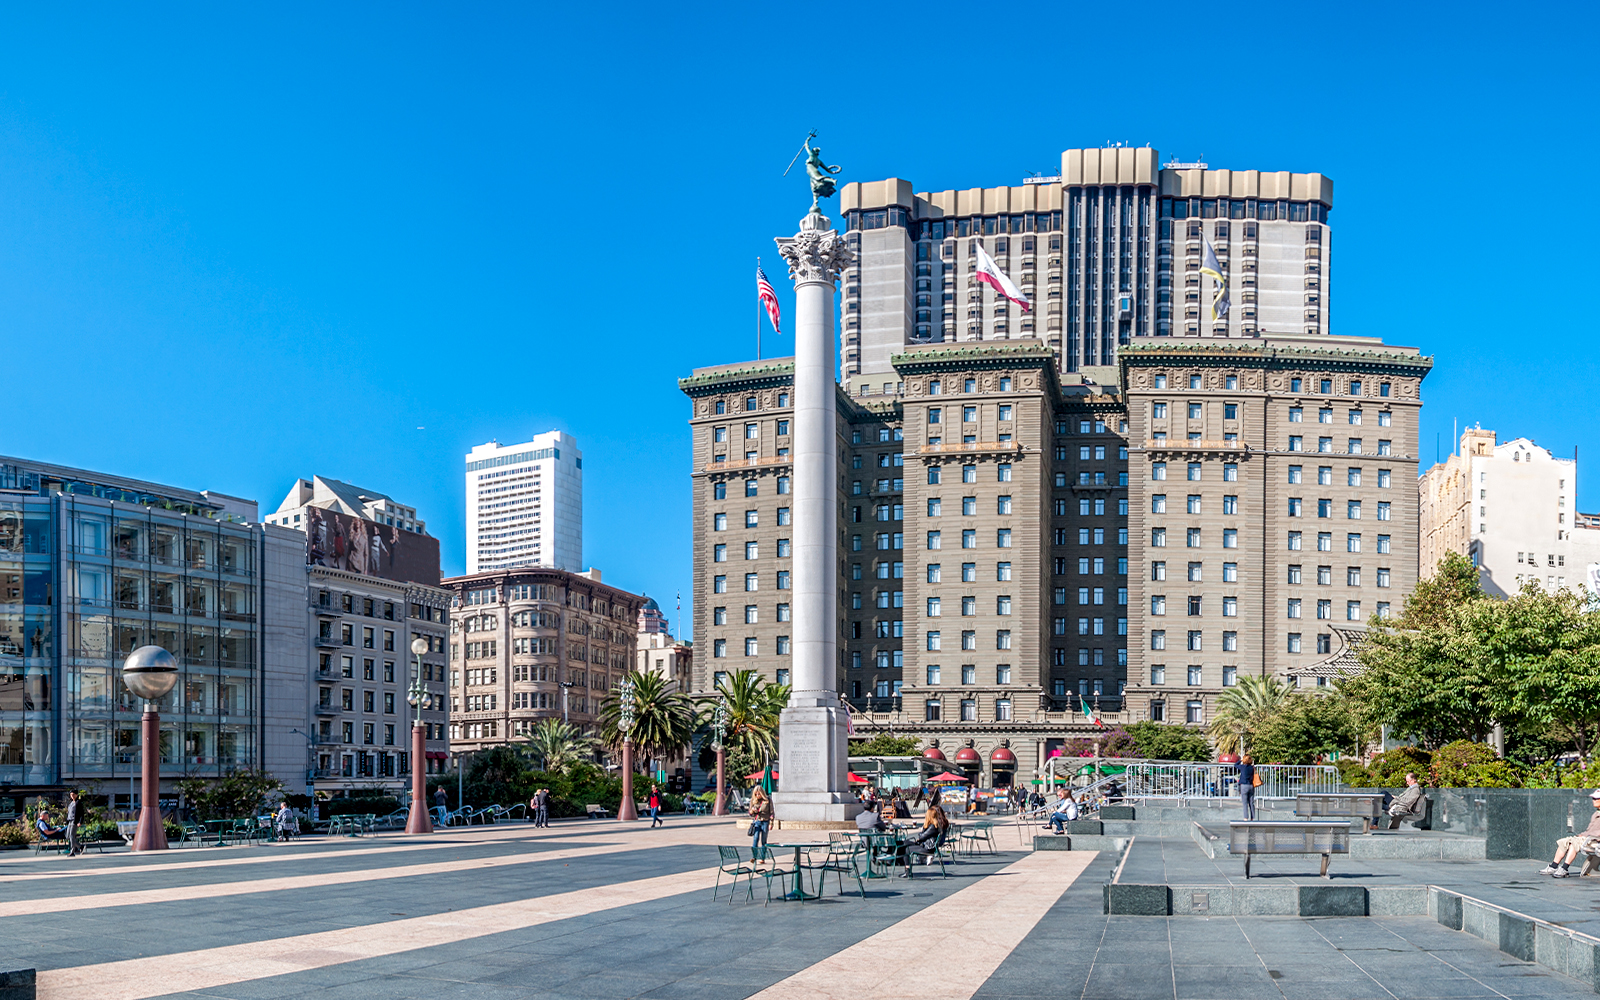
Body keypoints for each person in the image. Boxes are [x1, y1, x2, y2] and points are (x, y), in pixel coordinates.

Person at [1542, 789, 1600, 877]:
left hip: (1595, 840)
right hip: (1588, 838)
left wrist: (1586, 836)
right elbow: (1589, 829)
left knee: (1574, 843)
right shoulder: (1596, 813)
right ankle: (1554, 866)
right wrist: (1582, 835)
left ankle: (1564, 868)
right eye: (1593, 799)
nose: (1594, 801)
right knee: (1564, 841)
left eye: (1596, 799)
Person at [903, 804, 950, 875]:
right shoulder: (936, 825)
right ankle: (900, 861)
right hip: (929, 846)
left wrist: (924, 829)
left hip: (928, 848)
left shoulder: (932, 827)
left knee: (907, 849)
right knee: (905, 842)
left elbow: (922, 837)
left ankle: (907, 871)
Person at [747, 786, 773, 861]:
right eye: (756, 794)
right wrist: (752, 811)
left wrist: (771, 823)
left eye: (759, 794)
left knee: (763, 840)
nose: (757, 796)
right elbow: (750, 813)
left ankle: (762, 857)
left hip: (765, 821)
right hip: (757, 821)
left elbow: (771, 813)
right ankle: (754, 857)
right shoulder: (753, 800)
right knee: (755, 838)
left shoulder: (768, 800)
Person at [1239, 755, 1258, 821]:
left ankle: (1246, 817)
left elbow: (1235, 765)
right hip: (1251, 785)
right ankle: (1253, 817)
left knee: (1245, 803)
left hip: (1244, 785)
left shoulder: (1242, 767)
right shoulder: (1252, 768)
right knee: (1251, 803)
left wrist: (1240, 760)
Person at [65, 790, 83, 856]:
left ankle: (72, 851)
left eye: (73, 794)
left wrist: (80, 822)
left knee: (72, 836)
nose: (72, 796)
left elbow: (81, 813)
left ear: (76, 795)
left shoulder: (78, 803)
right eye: (71, 795)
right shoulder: (71, 803)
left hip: (74, 821)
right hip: (69, 821)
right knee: (67, 836)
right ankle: (80, 846)